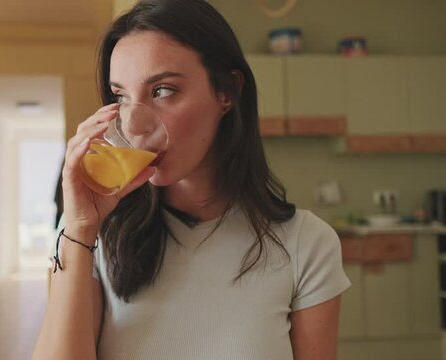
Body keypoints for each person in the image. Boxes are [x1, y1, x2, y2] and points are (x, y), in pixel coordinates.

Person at [33, 0, 350, 359]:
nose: (134, 124)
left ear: (227, 92)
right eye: (121, 96)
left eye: (163, 90)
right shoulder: (91, 237)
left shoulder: (305, 245)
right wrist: (78, 230)